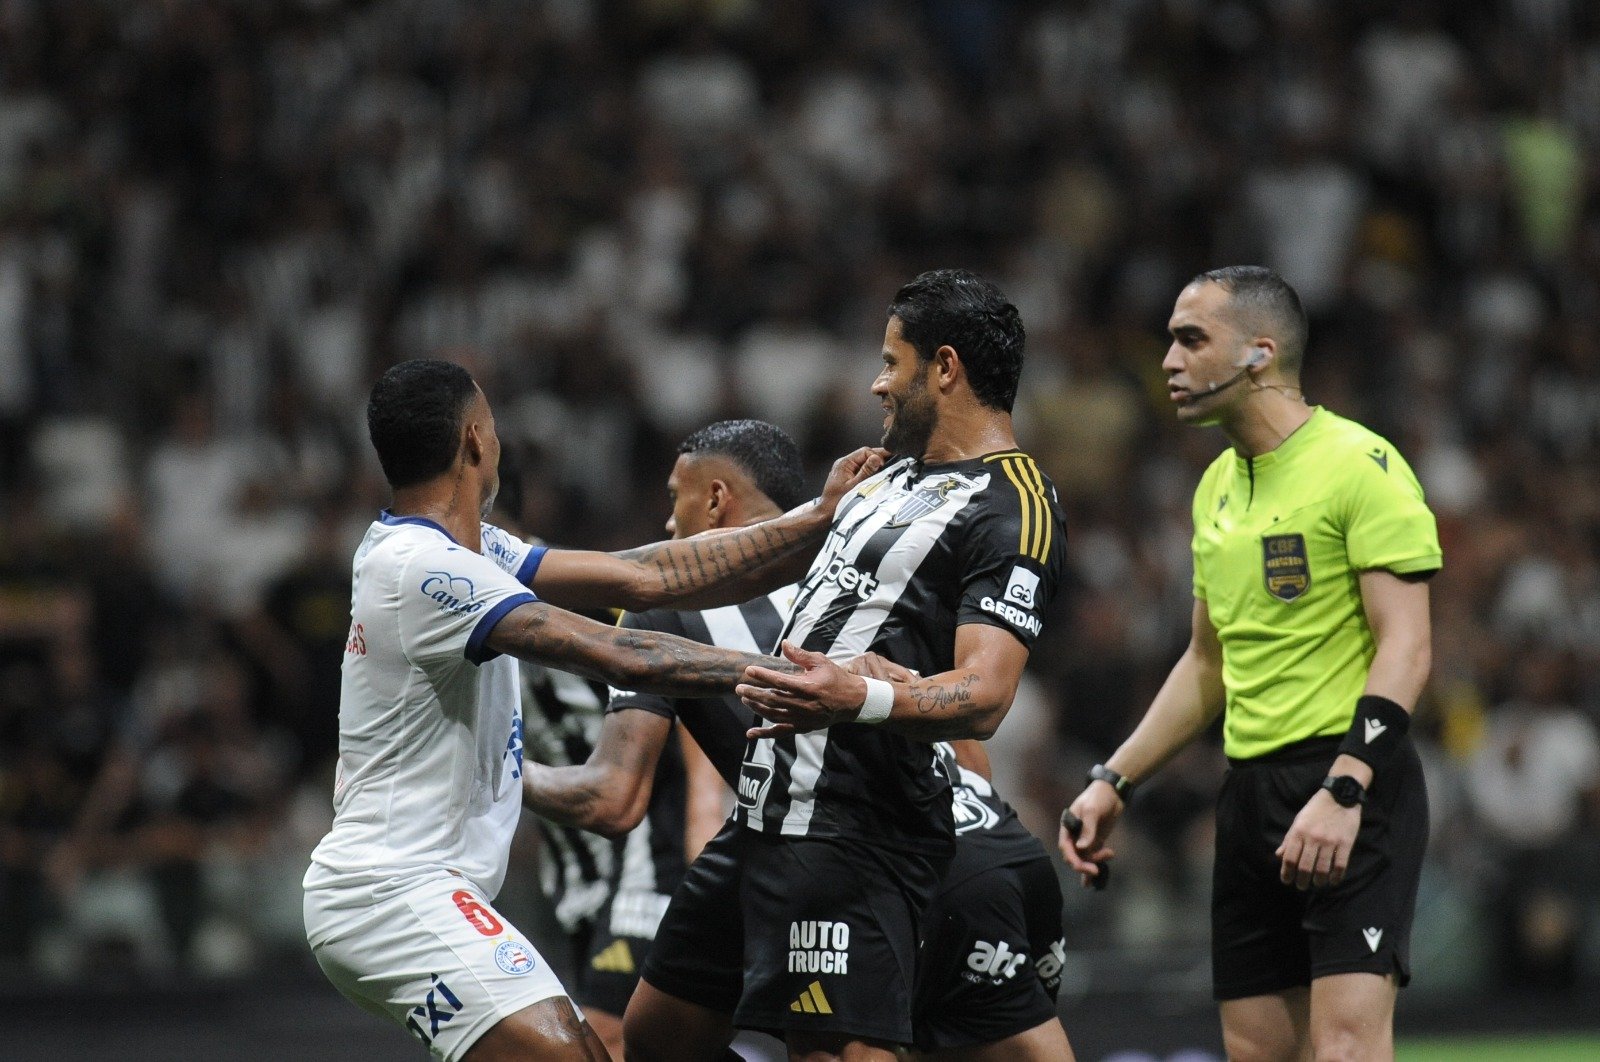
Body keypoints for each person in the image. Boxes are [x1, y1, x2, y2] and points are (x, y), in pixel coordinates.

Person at [302, 359, 884, 1062]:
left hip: (424, 890)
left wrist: (817, 517)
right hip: (388, 894)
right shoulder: (422, 567)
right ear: (475, 440)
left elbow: (645, 574)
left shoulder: (470, 550)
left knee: (595, 1051)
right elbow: (620, 653)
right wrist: (792, 677)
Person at [520, 418, 1072, 1060]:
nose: (669, 522)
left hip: (852, 854)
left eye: (676, 498)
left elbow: (616, 797)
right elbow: (963, 752)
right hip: (984, 846)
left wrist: (500, 770)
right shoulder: (868, 563)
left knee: (662, 1042)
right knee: (656, 1033)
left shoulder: (668, 608)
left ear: (716, 500)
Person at [627, 269, 1069, 1062]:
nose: (876, 383)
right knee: (655, 1037)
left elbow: (983, 698)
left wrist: (859, 696)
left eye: (892, 362)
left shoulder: (1014, 506)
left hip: (863, 827)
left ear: (945, 367)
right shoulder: (880, 477)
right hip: (768, 811)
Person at [1059, 266, 1441, 1062]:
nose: (1169, 360)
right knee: (1257, 1053)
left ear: (1260, 353)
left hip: (1349, 781)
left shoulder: (1359, 464)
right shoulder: (1214, 490)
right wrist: (1113, 780)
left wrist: (1345, 788)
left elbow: (1407, 645)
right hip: (1250, 794)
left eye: (1191, 339)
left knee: (1343, 1049)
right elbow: (1208, 663)